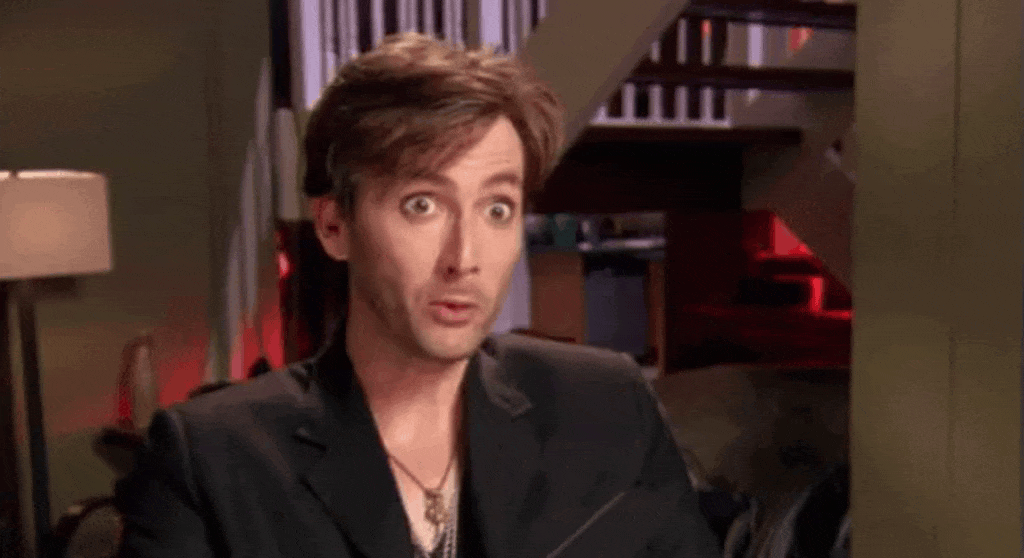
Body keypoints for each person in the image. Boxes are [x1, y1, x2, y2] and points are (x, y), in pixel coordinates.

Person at [115, 32, 719, 558]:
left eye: (497, 208)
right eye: (422, 205)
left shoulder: (606, 402)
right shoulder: (211, 458)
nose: (465, 258)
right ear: (334, 225)